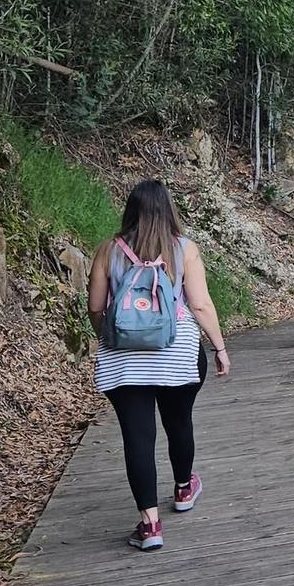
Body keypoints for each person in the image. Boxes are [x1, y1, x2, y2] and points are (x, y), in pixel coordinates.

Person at [87, 180, 230, 551]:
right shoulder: (184, 249)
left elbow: (96, 308)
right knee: (178, 421)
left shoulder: (107, 250)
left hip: (123, 362)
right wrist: (219, 347)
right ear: (169, 209)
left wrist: (114, 336)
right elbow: (199, 305)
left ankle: (150, 525)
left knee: (138, 437)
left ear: (130, 209)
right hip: (178, 353)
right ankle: (184, 487)